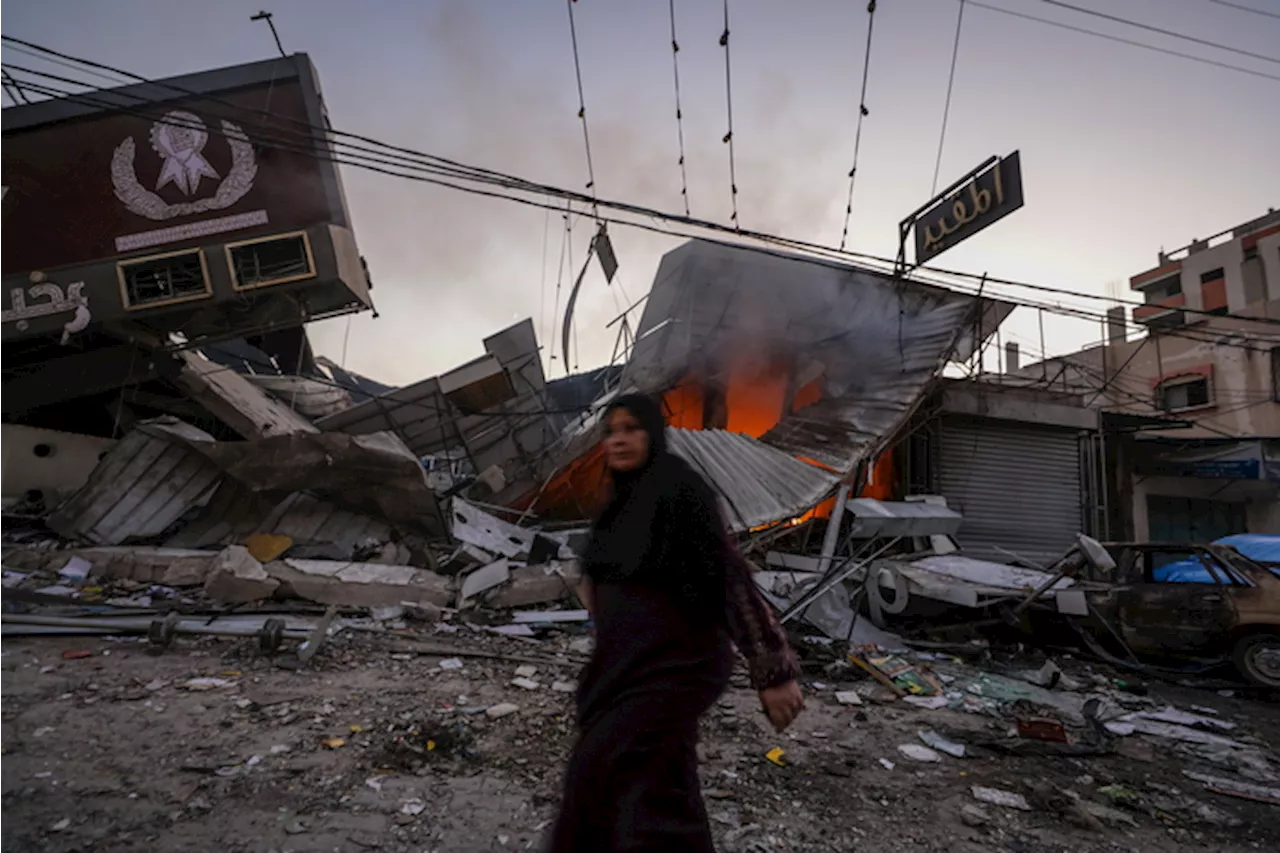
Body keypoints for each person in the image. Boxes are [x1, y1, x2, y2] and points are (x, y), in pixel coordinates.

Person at [549, 393, 805, 852]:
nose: (620, 440)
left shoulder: (680, 490)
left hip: (677, 664)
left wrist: (773, 670)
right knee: (651, 780)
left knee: (619, 767)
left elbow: (728, 576)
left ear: (653, 433)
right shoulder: (616, 504)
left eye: (632, 428)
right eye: (611, 431)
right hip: (626, 668)